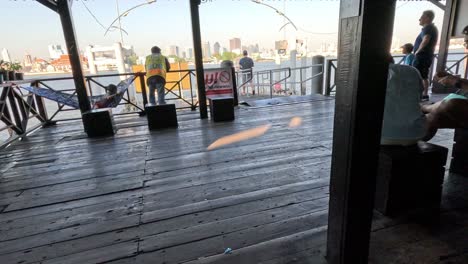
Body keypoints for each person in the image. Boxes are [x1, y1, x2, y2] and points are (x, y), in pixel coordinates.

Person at [381, 56, 427, 146]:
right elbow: (419, 97)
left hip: (381, 136)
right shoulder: (413, 70)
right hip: (415, 135)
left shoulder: (367, 71)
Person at [413, 10, 438, 101]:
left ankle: (421, 94)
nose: (419, 19)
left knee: (418, 75)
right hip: (425, 56)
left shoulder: (428, 28)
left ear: (427, 18)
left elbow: (426, 39)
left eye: (422, 17)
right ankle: (424, 94)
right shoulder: (431, 28)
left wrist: (417, 51)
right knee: (423, 75)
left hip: (422, 56)